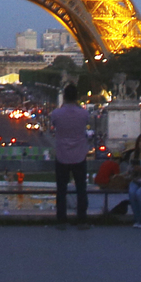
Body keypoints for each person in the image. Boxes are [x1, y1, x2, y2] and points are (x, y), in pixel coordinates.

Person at [48, 85, 92, 228]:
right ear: (77, 97)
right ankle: (82, 220)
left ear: (64, 96)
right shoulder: (84, 113)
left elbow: (54, 124)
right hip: (79, 154)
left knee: (61, 190)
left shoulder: (56, 113)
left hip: (62, 155)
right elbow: (86, 124)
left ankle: (61, 220)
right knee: (81, 189)